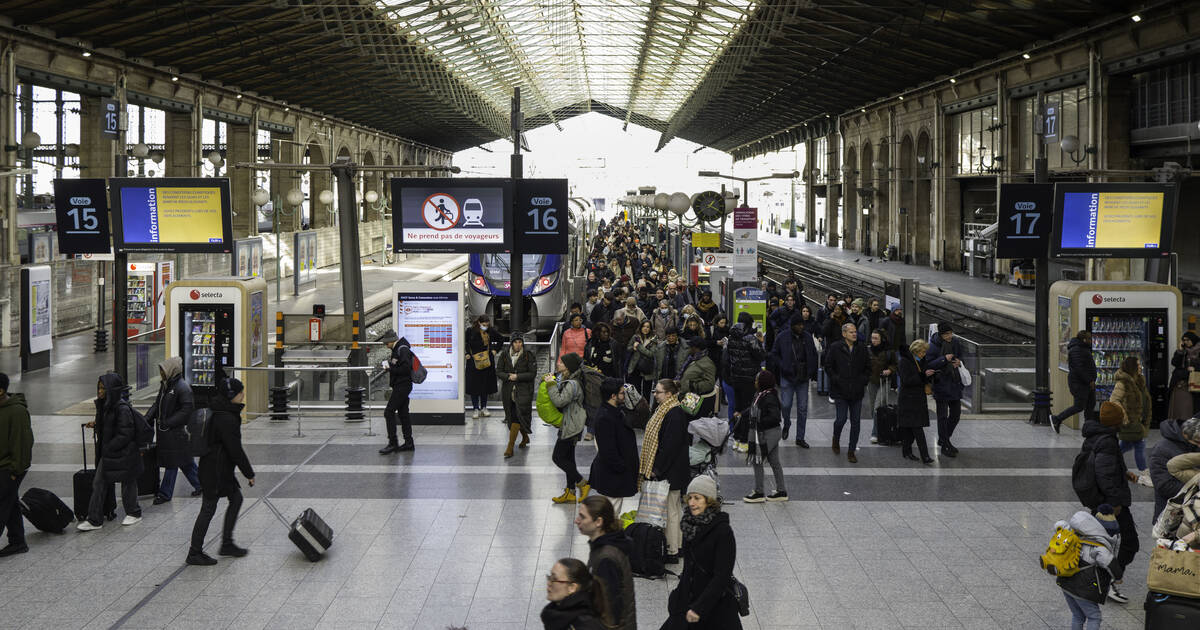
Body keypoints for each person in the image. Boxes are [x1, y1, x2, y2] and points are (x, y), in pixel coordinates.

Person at [187, 373, 255, 566]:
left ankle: (226, 543)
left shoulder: (222, 411)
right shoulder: (227, 419)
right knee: (208, 508)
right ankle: (194, 552)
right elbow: (236, 450)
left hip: (219, 468)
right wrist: (249, 474)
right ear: (231, 395)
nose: (243, 395)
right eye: (240, 392)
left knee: (236, 498)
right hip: (215, 471)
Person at [660, 475, 742, 630]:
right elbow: (688, 569)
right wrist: (677, 598)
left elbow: (721, 577)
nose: (691, 503)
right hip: (688, 602)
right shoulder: (689, 526)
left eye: (697, 498)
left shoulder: (723, 531)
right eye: (690, 497)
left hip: (715, 607)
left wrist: (699, 607)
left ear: (709, 500)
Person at [1080, 401, 1140, 604]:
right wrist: (1115, 502)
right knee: (1129, 543)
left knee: (1103, 542)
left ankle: (1101, 579)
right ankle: (1108, 580)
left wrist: (1124, 473)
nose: (1124, 419)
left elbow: (1106, 467)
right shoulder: (1107, 440)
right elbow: (1103, 473)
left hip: (1103, 499)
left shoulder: (1098, 436)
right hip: (1110, 502)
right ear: (1115, 422)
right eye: (1121, 417)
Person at [78, 373, 143, 531]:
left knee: (127, 482)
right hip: (110, 452)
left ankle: (134, 513)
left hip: (123, 452)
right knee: (99, 482)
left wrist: (109, 446)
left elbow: (125, 433)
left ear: (111, 390)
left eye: (103, 388)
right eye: (99, 388)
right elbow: (110, 425)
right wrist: (96, 424)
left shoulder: (121, 408)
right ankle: (94, 519)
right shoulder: (104, 406)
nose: (99, 391)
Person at [640, 379, 690, 561]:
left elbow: (670, 446)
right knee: (674, 509)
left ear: (669, 394)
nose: (655, 394)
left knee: (670, 510)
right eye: (654, 391)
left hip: (671, 471)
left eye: (658, 392)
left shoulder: (674, 413)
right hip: (674, 470)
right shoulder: (666, 410)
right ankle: (677, 545)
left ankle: (672, 550)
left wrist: (657, 469)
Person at [575, 496, 636, 630]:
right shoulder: (606, 545)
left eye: (582, 517)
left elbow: (610, 605)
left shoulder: (605, 558)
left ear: (598, 522)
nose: (576, 521)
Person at [145, 357, 201, 504]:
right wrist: (147, 419)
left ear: (171, 371)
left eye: (162, 370)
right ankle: (202, 485)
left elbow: (187, 410)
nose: (161, 373)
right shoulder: (165, 387)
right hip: (168, 432)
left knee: (172, 463)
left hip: (176, 433)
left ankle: (165, 494)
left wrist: (168, 422)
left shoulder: (182, 388)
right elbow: (157, 404)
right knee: (186, 463)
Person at [1055, 506, 1119, 630]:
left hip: (1065, 582)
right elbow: (1109, 563)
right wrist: (1118, 576)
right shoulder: (1099, 546)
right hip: (1082, 587)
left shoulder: (1076, 533)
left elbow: (1059, 525)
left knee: (1078, 615)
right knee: (1094, 617)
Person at [768, 311, 818, 446]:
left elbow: (813, 354)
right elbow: (774, 353)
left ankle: (800, 437)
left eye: (802, 324)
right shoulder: (782, 336)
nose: (801, 327)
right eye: (799, 325)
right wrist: (782, 365)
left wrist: (811, 371)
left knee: (802, 408)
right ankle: (787, 422)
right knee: (785, 404)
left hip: (803, 377)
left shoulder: (807, 337)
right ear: (793, 325)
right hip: (787, 376)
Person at [737, 370, 788, 502]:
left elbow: (775, 417)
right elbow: (753, 408)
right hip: (768, 432)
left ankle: (759, 492)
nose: (755, 382)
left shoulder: (769, 397)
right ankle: (781, 491)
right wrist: (742, 413)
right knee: (774, 461)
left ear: (763, 382)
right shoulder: (761, 395)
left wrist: (758, 421)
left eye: (757, 380)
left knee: (757, 459)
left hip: (769, 433)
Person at [547, 354, 591, 504]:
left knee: (558, 457)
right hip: (572, 423)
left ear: (569, 367)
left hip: (571, 425)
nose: (558, 364)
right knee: (569, 458)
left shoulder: (573, 384)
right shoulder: (571, 380)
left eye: (562, 362)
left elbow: (560, 401)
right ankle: (570, 492)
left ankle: (583, 483)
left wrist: (551, 385)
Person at [588, 379, 638, 513]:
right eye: (622, 393)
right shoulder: (605, 417)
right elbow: (607, 451)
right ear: (613, 396)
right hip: (613, 476)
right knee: (611, 515)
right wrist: (622, 467)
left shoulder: (613, 411)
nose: (624, 396)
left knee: (611, 512)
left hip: (614, 474)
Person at [825, 322, 870, 463]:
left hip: (857, 391)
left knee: (856, 422)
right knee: (841, 419)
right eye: (851, 332)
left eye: (855, 331)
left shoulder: (861, 348)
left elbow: (868, 367)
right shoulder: (835, 347)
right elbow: (828, 365)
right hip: (841, 391)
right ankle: (836, 438)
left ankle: (851, 451)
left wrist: (863, 380)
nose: (854, 334)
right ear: (844, 334)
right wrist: (836, 379)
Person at [0, 373, 33, 557]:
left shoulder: (17, 411)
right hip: (3, 466)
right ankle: (18, 541)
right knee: (10, 503)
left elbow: (23, 443)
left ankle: (18, 541)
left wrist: (14, 472)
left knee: (2, 504)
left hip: (10, 468)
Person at [1109, 355, 1153, 487]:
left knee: (1126, 446)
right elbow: (1114, 400)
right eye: (1138, 365)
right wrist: (1125, 417)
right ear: (1132, 367)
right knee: (1140, 445)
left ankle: (1108, 460)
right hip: (1130, 422)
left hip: (1140, 421)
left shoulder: (1139, 381)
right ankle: (1144, 474)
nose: (1141, 367)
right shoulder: (1122, 383)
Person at [925, 322, 966, 458]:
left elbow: (961, 356)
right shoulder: (933, 346)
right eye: (946, 334)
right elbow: (929, 364)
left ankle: (944, 438)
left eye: (950, 333)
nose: (949, 336)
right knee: (942, 416)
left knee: (956, 414)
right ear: (941, 335)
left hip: (954, 383)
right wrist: (943, 359)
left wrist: (959, 362)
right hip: (941, 384)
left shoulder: (955, 342)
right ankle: (946, 443)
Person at [1148, 416, 1200, 523]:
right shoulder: (1161, 450)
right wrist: (1196, 493)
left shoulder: (1193, 444)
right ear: (1185, 436)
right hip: (1172, 516)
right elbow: (1164, 485)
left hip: (1193, 514)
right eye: (1197, 442)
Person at [496, 332, 537, 459]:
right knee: (513, 415)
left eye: (520, 342)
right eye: (515, 342)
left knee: (517, 417)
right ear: (511, 343)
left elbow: (532, 373)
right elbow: (498, 371)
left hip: (524, 391)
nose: (518, 344)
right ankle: (525, 437)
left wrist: (518, 377)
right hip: (508, 392)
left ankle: (510, 447)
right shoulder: (504, 355)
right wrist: (508, 376)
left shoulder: (528, 355)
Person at [541, 558, 609, 630]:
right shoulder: (556, 615)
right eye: (549, 577)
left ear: (572, 587)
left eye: (554, 579)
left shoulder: (586, 625)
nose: (549, 583)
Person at [726, 311, 766, 433]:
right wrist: (760, 341)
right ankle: (744, 440)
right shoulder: (750, 339)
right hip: (749, 379)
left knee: (737, 407)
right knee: (747, 409)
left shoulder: (731, 337)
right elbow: (761, 356)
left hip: (735, 378)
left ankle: (737, 437)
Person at [1051, 330, 1097, 434]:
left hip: (1087, 383)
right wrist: (1089, 380)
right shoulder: (1077, 350)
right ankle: (1057, 419)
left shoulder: (1082, 348)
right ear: (1084, 339)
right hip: (1079, 383)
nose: (1091, 340)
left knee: (1090, 405)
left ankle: (1088, 429)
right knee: (1079, 406)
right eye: (1089, 339)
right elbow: (1079, 368)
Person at [897, 340, 935, 464]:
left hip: (918, 398)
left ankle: (906, 451)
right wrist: (923, 375)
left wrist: (928, 375)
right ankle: (925, 456)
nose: (924, 354)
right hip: (908, 400)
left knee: (910, 429)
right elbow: (906, 380)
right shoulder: (905, 362)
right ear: (916, 351)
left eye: (925, 352)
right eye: (922, 352)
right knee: (917, 428)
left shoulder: (921, 361)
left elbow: (922, 377)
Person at [377, 330, 415, 454]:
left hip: (402, 385)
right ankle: (409, 443)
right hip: (402, 385)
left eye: (386, 343)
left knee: (389, 412)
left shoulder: (402, 349)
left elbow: (405, 368)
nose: (386, 346)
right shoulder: (399, 348)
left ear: (391, 341)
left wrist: (390, 368)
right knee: (403, 413)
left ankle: (393, 443)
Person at [866, 329, 898, 444]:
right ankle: (881, 428)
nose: (873, 341)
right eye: (872, 338)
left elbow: (895, 364)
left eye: (876, 338)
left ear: (882, 339)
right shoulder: (868, 350)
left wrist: (890, 370)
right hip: (871, 381)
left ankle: (875, 433)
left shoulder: (889, 351)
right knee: (872, 408)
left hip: (884, 381)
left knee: (878, 406)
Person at [465, 315, 500, 419]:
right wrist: (466, 353)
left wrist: (495, 350)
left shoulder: (491, 331)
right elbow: (466, 343)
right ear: (479, 323)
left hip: (486, 362)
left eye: (487, 325)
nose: (485, 326)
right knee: (474, 386)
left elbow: (500, 339)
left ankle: (484, 407)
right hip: (473, 361)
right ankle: (475, 408)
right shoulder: (470, 331)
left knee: (485, 386)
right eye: (484, 325)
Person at [677, 337, 717, 417]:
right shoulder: (692, 358)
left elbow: (709, 384)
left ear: (696, 348)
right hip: (686, 396)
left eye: (690, 347)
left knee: (691, 422)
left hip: (695, 400)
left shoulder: (707, 363)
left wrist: (691, 385)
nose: (689, 349)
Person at [1168, 331, 1200, 419]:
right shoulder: (1182, 351)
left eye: (1188, 340)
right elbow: (1174, 363)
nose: (1186, 342)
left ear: (1193, 340)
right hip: (1181, 381)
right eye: (1184, 340)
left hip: (1195, 382)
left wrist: (1195, 368)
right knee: (1182, 408)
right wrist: (1180, 351)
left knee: (1195, 407)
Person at [627, 320, 658, 401]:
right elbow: (628, 348)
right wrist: (633, 348)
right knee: (635, 391)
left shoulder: (654, 339)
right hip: (635, 367)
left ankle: (646, 409)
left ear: (650, 329)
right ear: (640, 327)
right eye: (644, 326)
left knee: (646, 392)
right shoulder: (635, 337)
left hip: (647, 369)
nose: (645, 328)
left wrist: (639, 347)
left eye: (648, 327)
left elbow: (651, 354)